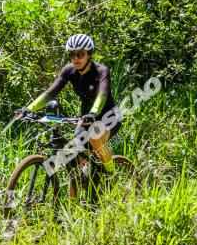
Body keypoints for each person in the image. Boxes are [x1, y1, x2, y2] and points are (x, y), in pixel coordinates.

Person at [14, 33, 120, 171]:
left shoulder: (101, 71)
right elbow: (50, 93)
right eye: (72, 54)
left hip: (108, 115)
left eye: (80, 54)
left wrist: (93, 113)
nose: (75, 58)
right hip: (86, 116)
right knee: (77, 154)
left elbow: (102, 94)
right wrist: (28, 109)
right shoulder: (69, 70)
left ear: (89, 55)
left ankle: (111, 175)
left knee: (94, 138)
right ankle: (85, 183)